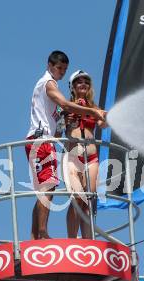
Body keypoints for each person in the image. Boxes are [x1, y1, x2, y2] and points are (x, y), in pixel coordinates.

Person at [25, 52, 106, 240]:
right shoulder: (50, 86)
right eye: (59, 68)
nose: (61, 72)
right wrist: (75, 115)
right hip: (48, 143)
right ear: (50, 65)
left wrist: (101, 114)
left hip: (83, 155)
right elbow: (62, 119)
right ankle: (43, 235)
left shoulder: (91, 106)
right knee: (55, 190)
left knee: (85, 198)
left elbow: (102, 122)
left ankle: (84, 240)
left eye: (64, 69)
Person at [64, 70, 107, 239]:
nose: (83, 84)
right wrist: (68, 119)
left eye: (86, 82)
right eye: (79, 81)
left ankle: (88, 241)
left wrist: (107, 117)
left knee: (89, 199)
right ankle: (72, 240)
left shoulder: (94, 108)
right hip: (73, 156)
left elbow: (102, 124)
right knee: (77, 198)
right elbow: (61, 126)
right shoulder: (66, 105)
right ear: (73, 86)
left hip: (91, 158)